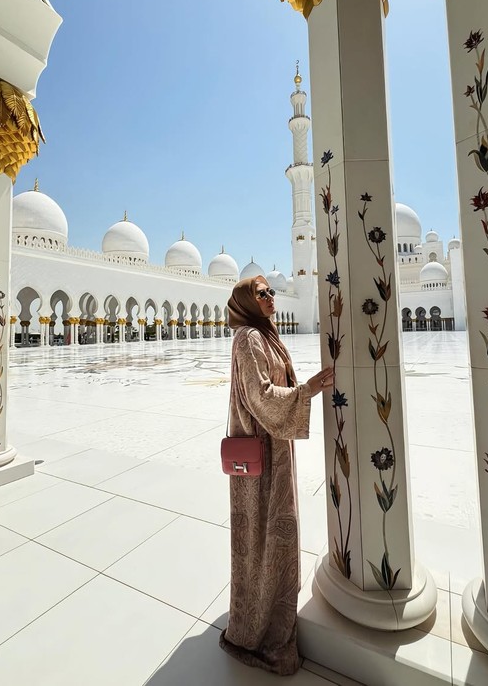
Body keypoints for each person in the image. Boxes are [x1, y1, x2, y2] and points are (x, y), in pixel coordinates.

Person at [219, 275, 334, 676]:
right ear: (247, 303)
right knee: (263, 538)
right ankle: (258, 634)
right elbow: (260, 396)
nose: (270, 297)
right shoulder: (249, 337)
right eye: (261, 293)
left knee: (271, 540)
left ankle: (266, 618)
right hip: (261, 455)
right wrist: (309, 390)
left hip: (275, 449)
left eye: (270, 291)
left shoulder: (266, 335)